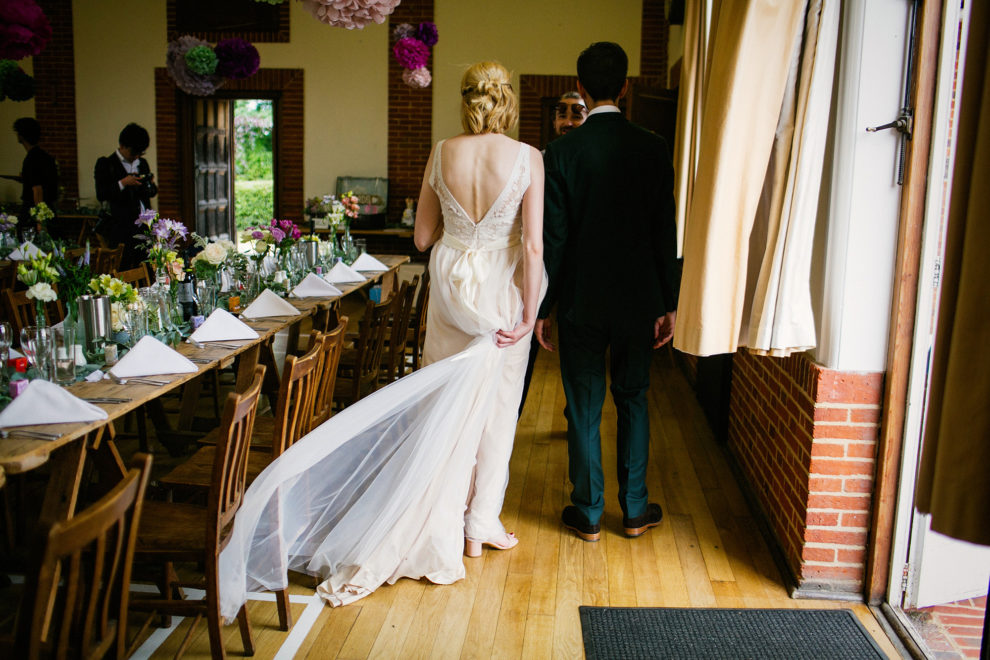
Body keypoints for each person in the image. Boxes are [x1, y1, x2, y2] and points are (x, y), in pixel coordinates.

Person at [217, 61, 546, 617]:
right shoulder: (529, 157)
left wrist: (461, 233)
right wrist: (532, 312)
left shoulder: (441, 151)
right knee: (494, 408)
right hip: (500, 291)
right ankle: (478, 524)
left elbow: (421, 238)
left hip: (448, 285)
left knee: (443, 406)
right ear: (508, 99)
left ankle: (439, 521)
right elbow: (534, 247)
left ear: (466, 100)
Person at [536, 42, 680, 542]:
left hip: (579, 300)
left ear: (580, 87)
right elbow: (666, 232)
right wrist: (669, 302)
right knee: (634, 398)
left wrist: (543, 307)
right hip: (639, 300)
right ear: (625, 86)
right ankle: (636, 510)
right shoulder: (653, 147)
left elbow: (553, 237)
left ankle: (589, 512)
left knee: (582, 402)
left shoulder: (560, 153)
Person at [519, 91, 589, 415]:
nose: (568, 121)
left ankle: (573, 413)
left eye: (577, 113)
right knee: (528, 350)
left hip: (582, 272)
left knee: (580, 359)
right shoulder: (540, 160)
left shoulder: (595, 158)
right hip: (544, 266)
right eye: (562, 113)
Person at [94, 123, 157, 267]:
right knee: (125, 266)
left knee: (146, 266)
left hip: (144, 226)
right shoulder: (106, 164)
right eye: (133, 153)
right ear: (122, 146)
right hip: (121, 226)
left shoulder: (142, 163)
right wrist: (123, 183)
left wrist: (149, 184)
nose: (135, 157)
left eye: (139, 154)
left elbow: (151, 193)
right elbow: (101, 194)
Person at [12, 117, 58, 230]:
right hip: (48, 207)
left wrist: (39, 220)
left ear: (21, 135)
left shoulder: (32, 159)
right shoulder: (46, 157)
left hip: (34, 210)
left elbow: (37, 189)